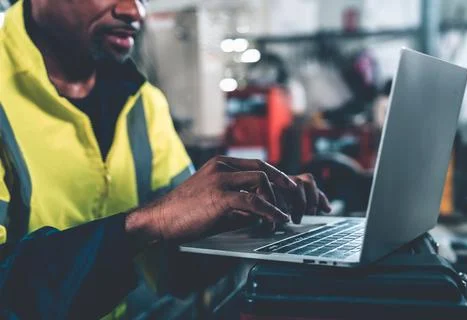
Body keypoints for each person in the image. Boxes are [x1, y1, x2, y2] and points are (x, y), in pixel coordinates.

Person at [0, 0, 331, 319]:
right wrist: (146, 223)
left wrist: (248, 217)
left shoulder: (144, 103)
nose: (135, 10)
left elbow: (178, 270)